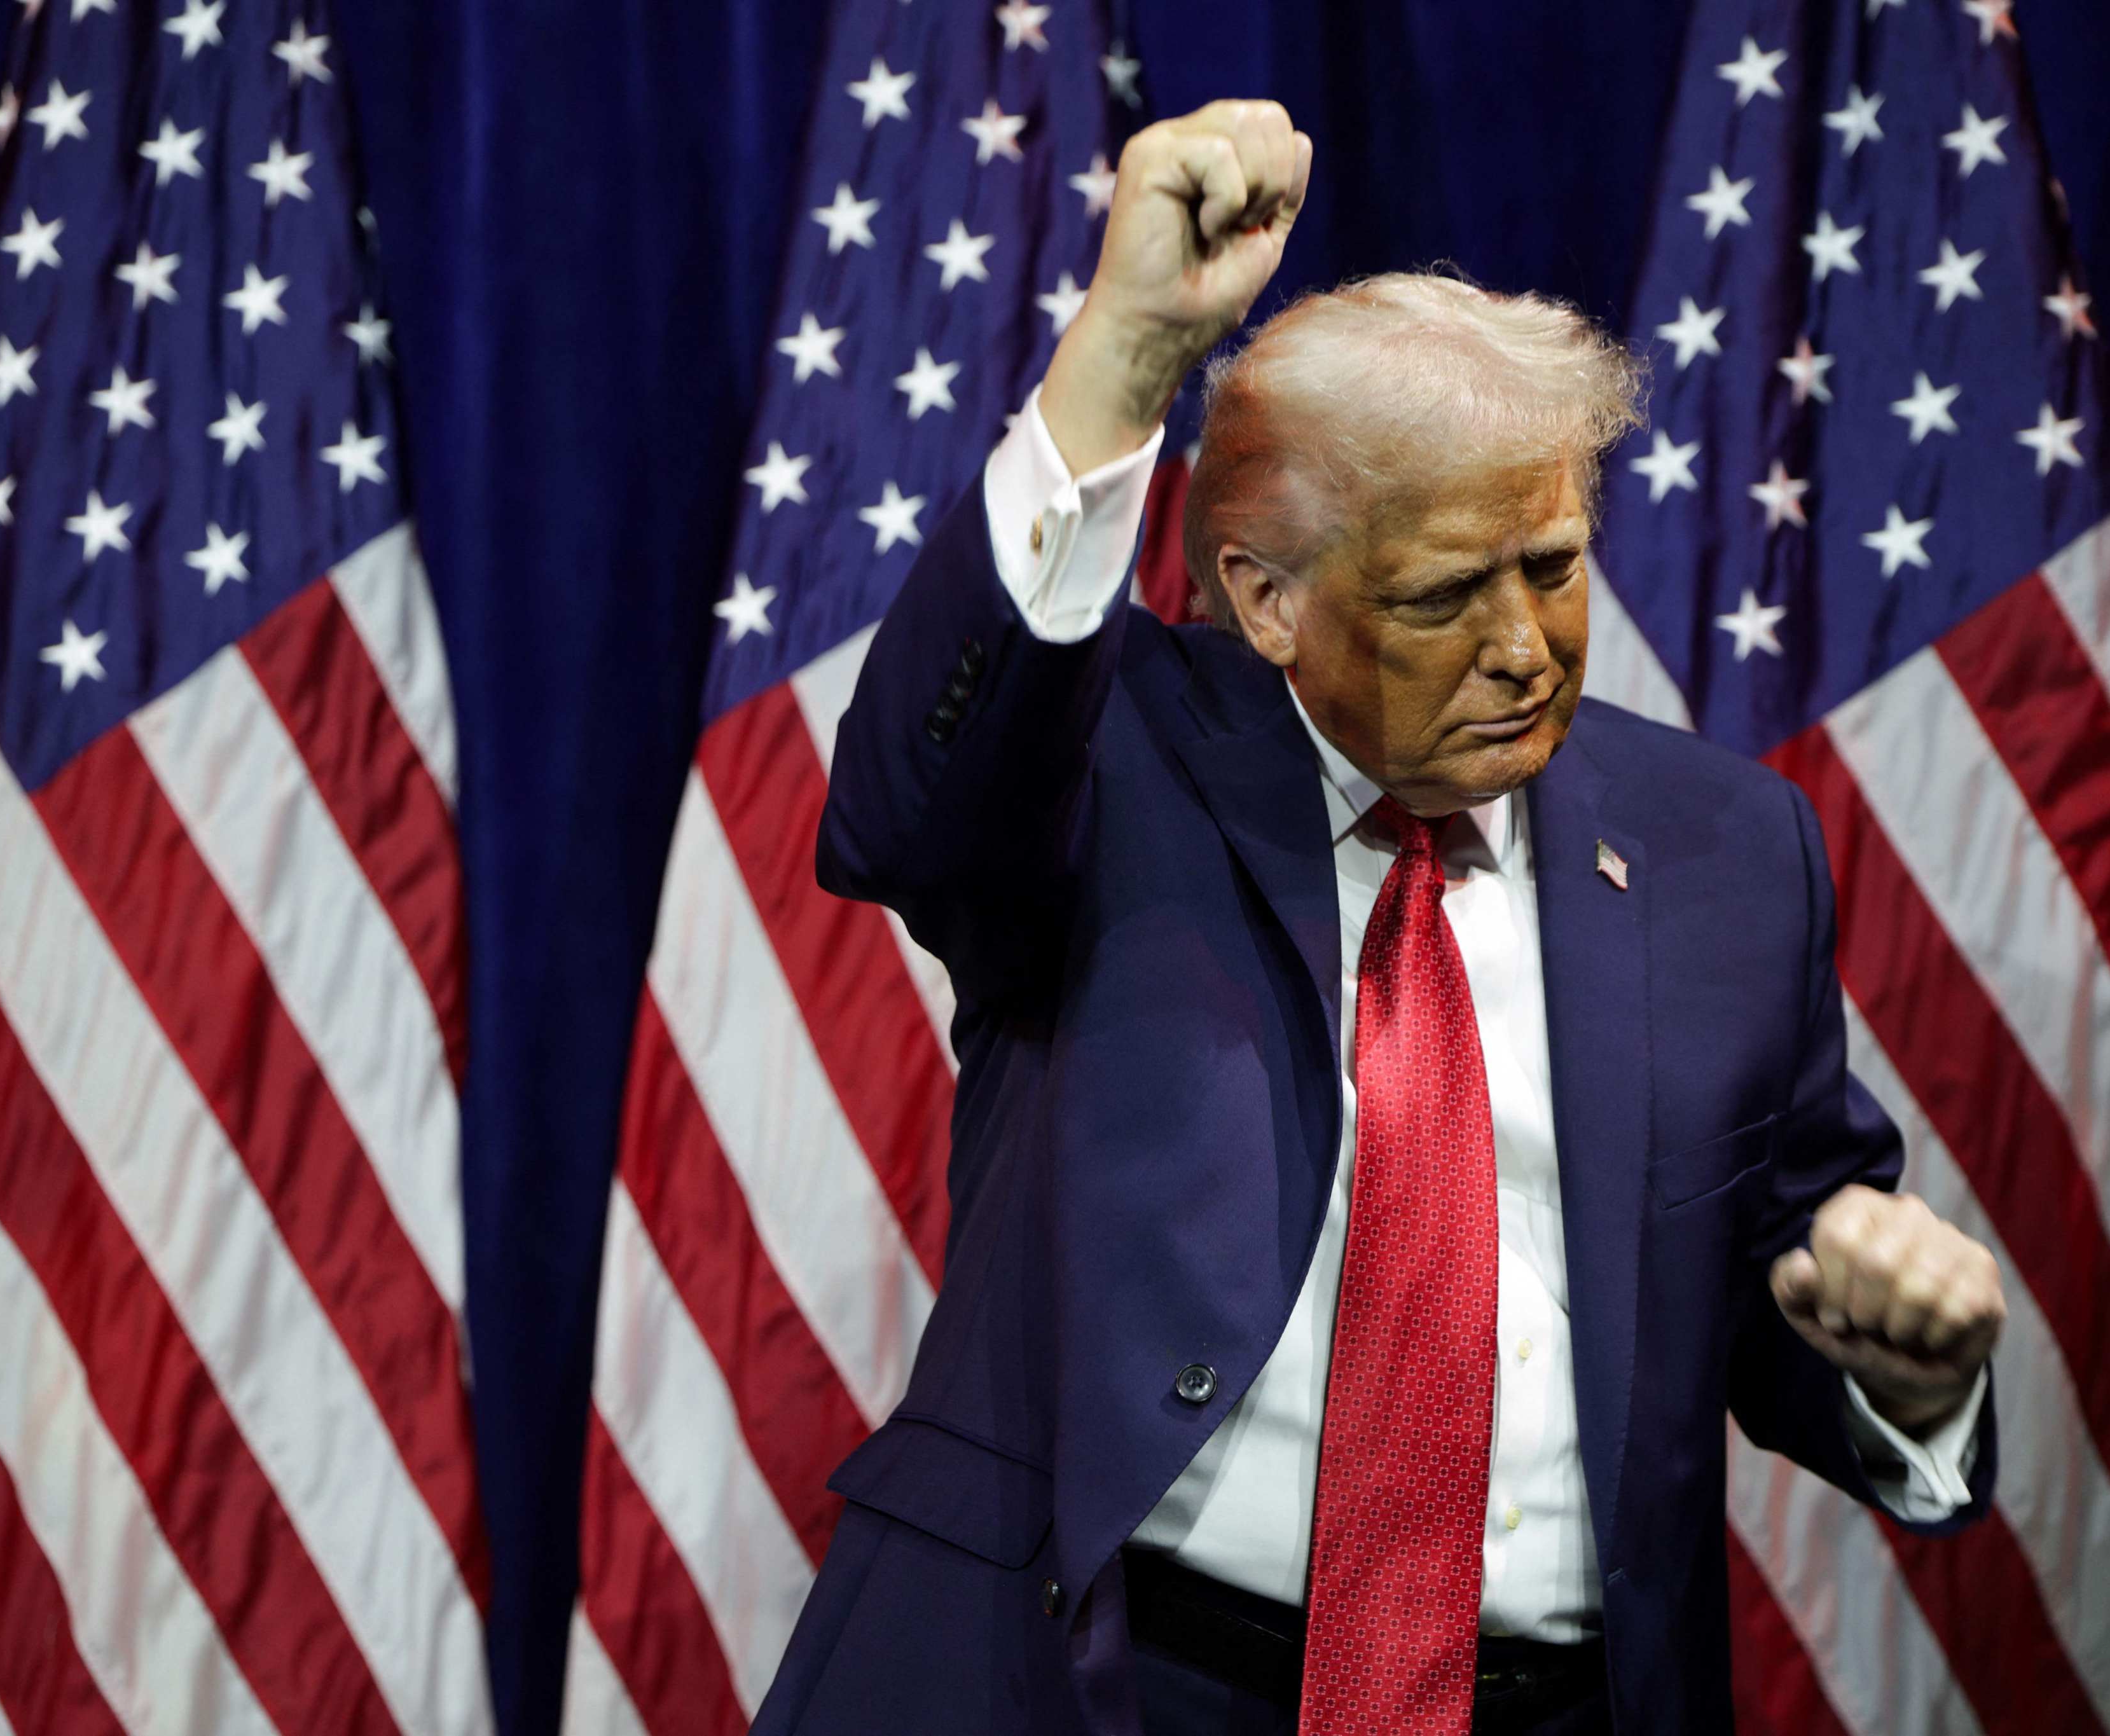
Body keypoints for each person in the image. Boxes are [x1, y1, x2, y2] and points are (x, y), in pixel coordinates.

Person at [752, 100, 2006, 1736]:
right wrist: (1125, 355)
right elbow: (906, 807)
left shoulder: (1723, 852)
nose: (1524, 648)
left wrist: (1904, 1371)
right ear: (1265, 599)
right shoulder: (1116, 764)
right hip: (1096, 1684)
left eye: (1549, 564)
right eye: (1439, 596)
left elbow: (1787, 1275)